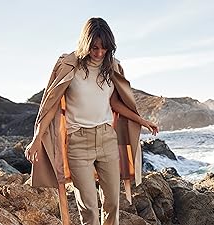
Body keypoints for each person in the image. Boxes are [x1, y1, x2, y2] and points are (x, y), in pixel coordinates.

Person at [25, 17, 158, 225]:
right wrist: (36, 138)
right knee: (89, 210)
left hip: (107, 140)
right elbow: (50, 107)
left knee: (112, 204)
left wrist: (142, 120)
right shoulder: (69, 66)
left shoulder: (111, 67)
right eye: (94, 48)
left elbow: (115, 103)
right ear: (85, 44)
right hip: (78, 144)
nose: (98, 53)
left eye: (104, 48)